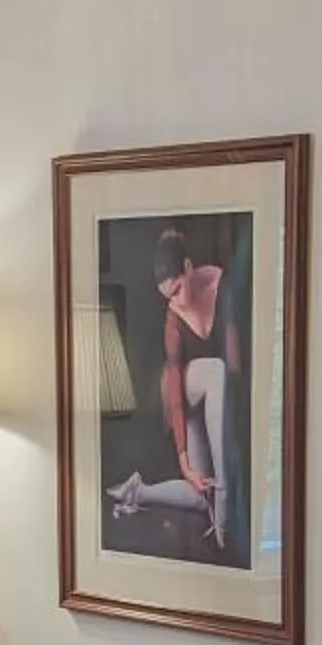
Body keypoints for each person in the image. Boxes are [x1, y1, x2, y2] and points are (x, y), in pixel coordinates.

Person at [108, 225, 239, 550]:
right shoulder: (173, 319)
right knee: (214, 370)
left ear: (189, 268)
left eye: (178, 289)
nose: (176, 301)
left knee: (199, 494)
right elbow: (177, 393)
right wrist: (183, 461)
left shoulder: (220, 285)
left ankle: (138, 491)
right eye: (169, 296)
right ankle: (222, 506)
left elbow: (236, 362)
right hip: (181, 394)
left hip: (216, 397)